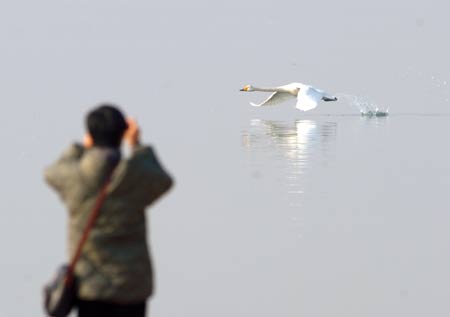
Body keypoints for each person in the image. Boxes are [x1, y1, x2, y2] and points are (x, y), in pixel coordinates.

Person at [44, 104, 173, 317]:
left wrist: (81, 148)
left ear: (90, 136)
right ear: (123, 134)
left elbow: (52, 172)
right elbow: (163, 180)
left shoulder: (76, 179)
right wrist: (137, 145)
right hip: (131, 285)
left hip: (91, 284)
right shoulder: (135, 176)